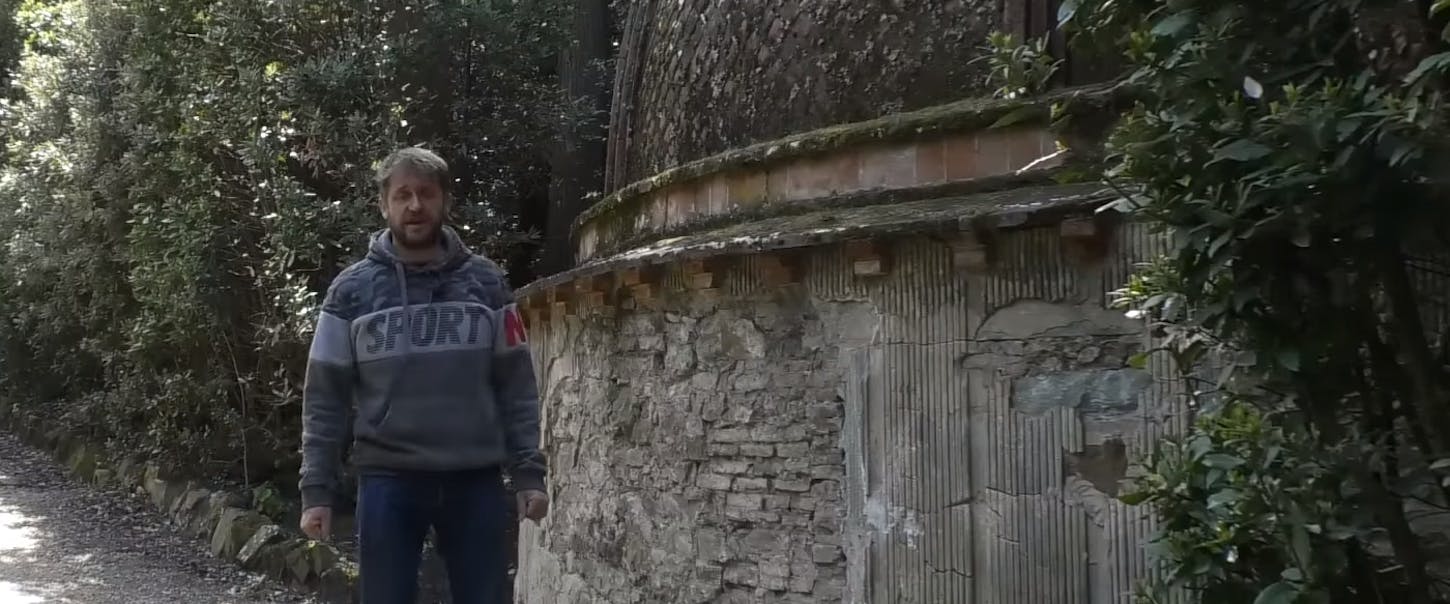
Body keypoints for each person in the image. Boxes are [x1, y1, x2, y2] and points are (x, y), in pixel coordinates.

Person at [297, 146, 548, 603]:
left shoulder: (486, 285)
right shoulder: (350, 292)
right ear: (384, 204)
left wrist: (529, 474)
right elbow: (324, 399)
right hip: (388, 481)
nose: (415, 205)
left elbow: (517, 386)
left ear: (444, 201)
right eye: (403, 195)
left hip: (474, 480)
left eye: (427, 194)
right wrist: (317, 490)